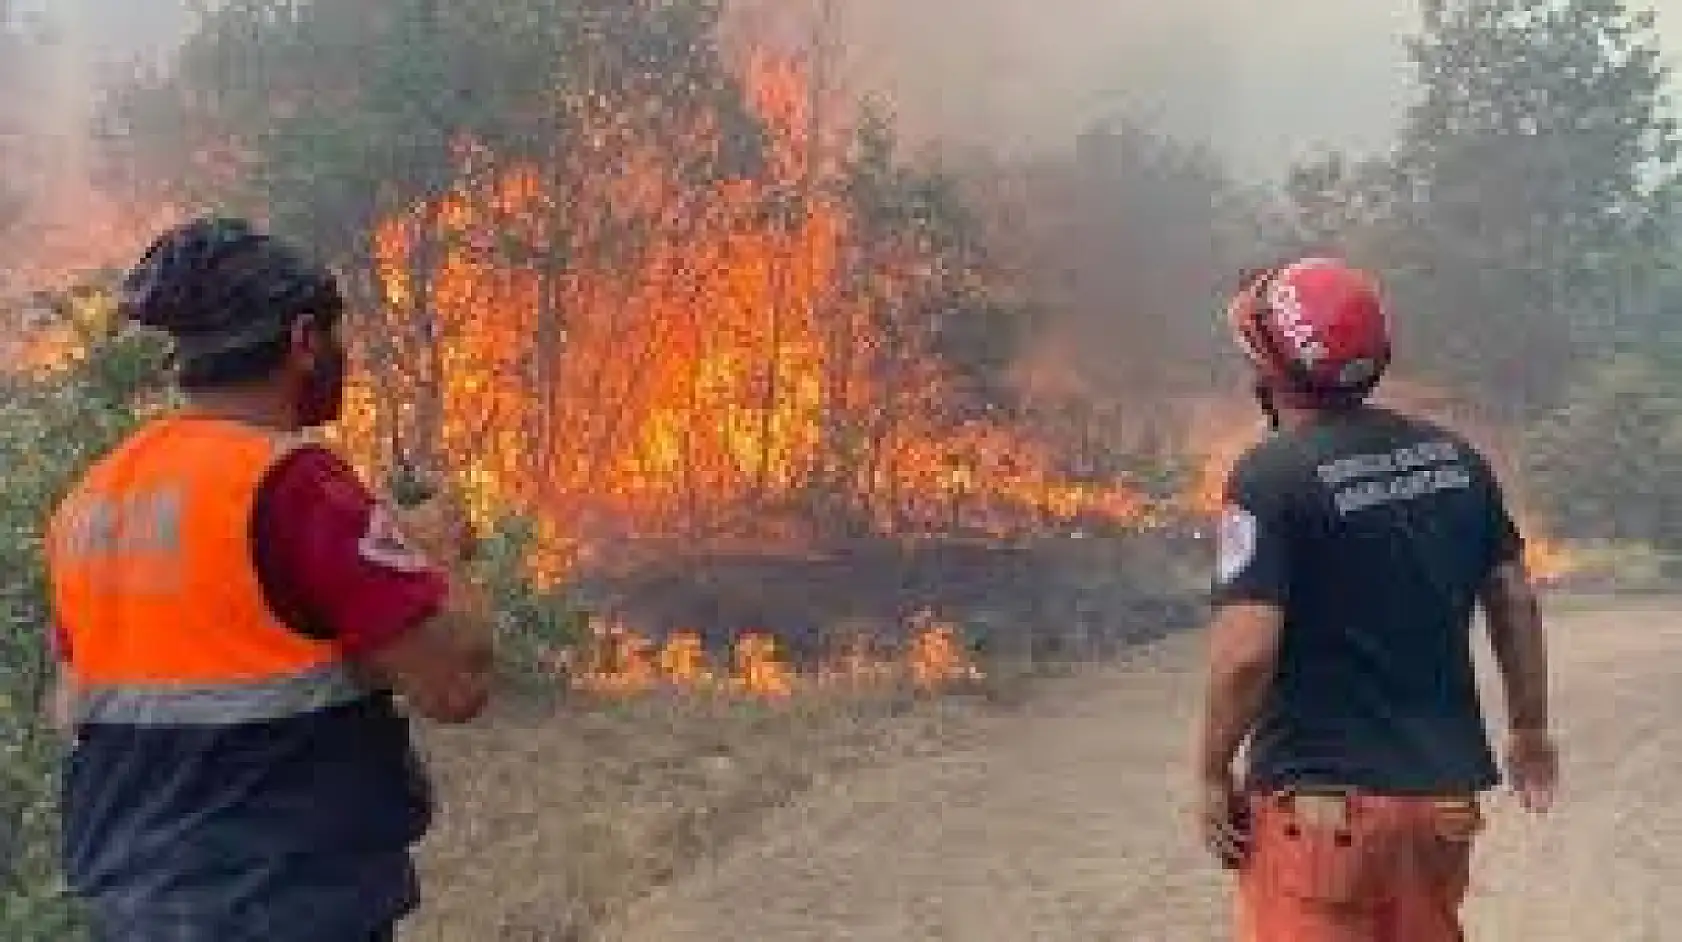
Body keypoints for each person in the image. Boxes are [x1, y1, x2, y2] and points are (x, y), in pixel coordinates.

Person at [44, 217, 496, 941]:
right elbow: (456, 685)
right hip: (282, 908)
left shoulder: (93, 497)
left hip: (133, 912)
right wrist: (437, 556)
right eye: (336, 337)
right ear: (304, 342)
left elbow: (84, 704)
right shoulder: (295, 485)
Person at [1189, 257, 1558, 940]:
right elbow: (1512, 595)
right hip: (1443, 811)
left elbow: (1246, 655)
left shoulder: (1269, 477)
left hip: (1323, 821)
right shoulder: (1453, 458)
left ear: (1271, 372)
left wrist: (1212, 772)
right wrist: (1529, 729)